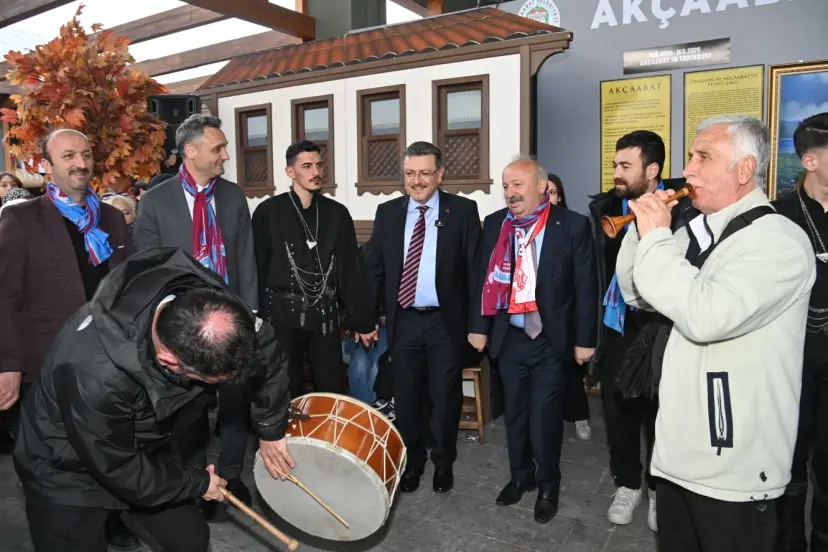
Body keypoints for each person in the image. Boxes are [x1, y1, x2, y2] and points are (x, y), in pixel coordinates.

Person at [616, 115, 815, 552]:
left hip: (733, 469)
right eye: (690, 156)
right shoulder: (697, 232)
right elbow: (638, 293)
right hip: (677, 456)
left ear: (744, 170)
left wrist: (657, 238)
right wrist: (639, 232)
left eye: (703, 157)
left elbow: (706, 315)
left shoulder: (778, 241)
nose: (687, 170)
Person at [13, 247, 294, 552]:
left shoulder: (213, 307)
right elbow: (122, 469)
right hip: (67, 467)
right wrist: (197, 483)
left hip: (146, 444)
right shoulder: (93, 372)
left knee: (189, 541)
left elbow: (265, 348)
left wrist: (271, 427)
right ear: (169, 360)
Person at [0, 128, 135, 548]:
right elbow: (4, 296)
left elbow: (128, 290)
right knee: (52, 468)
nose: (80, 163)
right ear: (47, 165)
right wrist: (8, 364)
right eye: (69, 155)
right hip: (47, 366)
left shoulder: (112, 219)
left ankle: (109, 523)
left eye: (86, 154)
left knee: (107, 451)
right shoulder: (21, 219)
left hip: (107, 365)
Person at [133, 114, 259, 509]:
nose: (225, 155)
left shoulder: (233, 196)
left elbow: (245, 258)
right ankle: (195, 481)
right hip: (183, 328)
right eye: (218, 148)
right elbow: (148, 268)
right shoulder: (155, 201)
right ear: (191, 151)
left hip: (231, 319)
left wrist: (251, 312)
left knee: (234, 402)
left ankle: (232, 475)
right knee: (189, 411)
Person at [468, 158, 597, 523]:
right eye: (506, 186)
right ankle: (520, 476)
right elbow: (482, 278)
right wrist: (478, 326)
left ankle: (548, 485)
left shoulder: (571, 225)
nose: (510, 193)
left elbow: (586, 287)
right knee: (516, 415)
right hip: (509, 338)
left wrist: (584, 340)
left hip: (550, 340)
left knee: (544, 417)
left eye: (518, 185)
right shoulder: (496, 224)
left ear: (541, 187)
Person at [587, 130, 695, 532]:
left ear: (651, 170)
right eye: (615, 164)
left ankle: (657, 489)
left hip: (660, 327)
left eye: (625, 166)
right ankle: (627, 484)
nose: (616, 172)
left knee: (659, 412)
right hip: (617, 325)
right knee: (618, 411)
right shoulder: (604, 207)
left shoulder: (686, 206)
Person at [364, 141, 482, 494]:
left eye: (425, 173)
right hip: (404, 321)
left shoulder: (463, 211)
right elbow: (374, 270)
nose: (417, 181)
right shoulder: (388, 212)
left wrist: (478, 326)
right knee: (407, 397)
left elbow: (475, 274)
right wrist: (365, 318)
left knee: (445, 398)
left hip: (445, 323)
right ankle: (413, 461)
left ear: (440, 175)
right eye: (410, 173)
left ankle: (443, 463)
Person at [252, 140, 375, 400]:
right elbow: (257, 267)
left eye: (319, 165)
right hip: (280, 316)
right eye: (306, 166)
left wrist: (363, 321)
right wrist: (255, 317)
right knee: (284, 389)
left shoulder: (337, 213)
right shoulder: (268, 212)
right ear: (290, 171)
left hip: (324, 317)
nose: (316, 172)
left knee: (331, 388)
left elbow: (349, 271)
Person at [773, 112, 828, 552]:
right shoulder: (777, 216)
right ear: (810, 161)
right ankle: (788, 541)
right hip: (790, 359)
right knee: (788, 460)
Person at [547, 173, 592, 441]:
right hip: (543, 316)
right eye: (544, 192)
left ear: (560, 196)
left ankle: (580, 416)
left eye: (552, 193)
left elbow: (583, 279)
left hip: (569, 313)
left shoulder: (574, 225)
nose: (547, 197)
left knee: (572, 374)